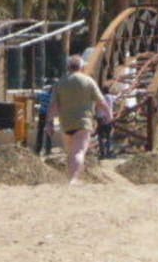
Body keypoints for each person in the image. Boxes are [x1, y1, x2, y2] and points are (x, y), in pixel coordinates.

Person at [46, 55, 111, 184]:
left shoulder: (60, 83)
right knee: (79, 151)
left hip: (66, 123)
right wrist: (109, 114)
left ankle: (70, 177)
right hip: (83, 122)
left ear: (68, 67)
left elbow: (53, 106)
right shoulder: (88, 81)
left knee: (70, 153)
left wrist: (49, 123)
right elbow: (101, 101)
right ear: (81, 67)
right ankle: (74, 179)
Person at [96, 85, 116, 159]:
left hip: (100, 118)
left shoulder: (99, 98)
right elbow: (120, 97)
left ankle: (102, 153)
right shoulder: (111, 97)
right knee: (109, 136)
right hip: (108, 118)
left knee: (101, 136)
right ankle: (109, 152)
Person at [34, 82, 53, 156]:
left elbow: (36, 95)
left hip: (42, 115)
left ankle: (38, 149)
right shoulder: (52, 97)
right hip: (50, 116)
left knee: (40, 131)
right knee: (49, 132)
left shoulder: (43, 95)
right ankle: (48, 149)